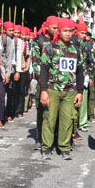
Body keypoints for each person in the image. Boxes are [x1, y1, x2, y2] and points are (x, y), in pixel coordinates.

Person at [39, 18, 83, 160]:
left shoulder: (76, 49)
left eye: (71, 31)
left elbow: (80, 72)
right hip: (53, 89)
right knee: (49, 119)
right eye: (65, 31)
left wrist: (80, 92)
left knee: (67, 120)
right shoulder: (50, 48)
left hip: (70, 92)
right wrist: (43, 90)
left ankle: (64, 147)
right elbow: (44, 70)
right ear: (59, 31)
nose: (68, 34)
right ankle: (46, 147)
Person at [31, 16, 57, 150]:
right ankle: (39, 138)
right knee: (42, 110)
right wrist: (44, 78)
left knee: (55, 112)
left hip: (57, 83)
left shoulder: (59, 41)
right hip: (43, 82)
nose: (57, 30)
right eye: (54, 27)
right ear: (47, 27)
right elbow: (35, 62)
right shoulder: (39, 41)